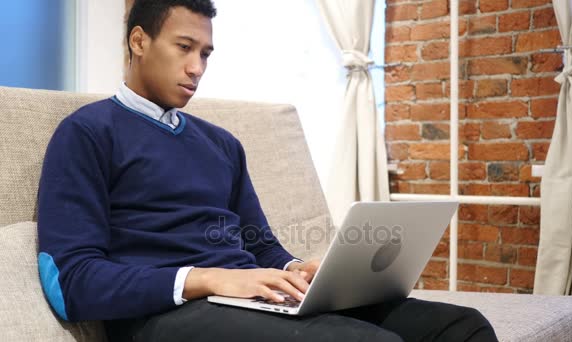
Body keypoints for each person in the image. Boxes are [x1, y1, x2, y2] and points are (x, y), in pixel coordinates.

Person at [36, 0, 498, 341]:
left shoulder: (221, 144)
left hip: (250, 301)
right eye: (184, 48)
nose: (196, 68)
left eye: (206, 54)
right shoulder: (87, 133)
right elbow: (70, 281)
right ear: (139, 41)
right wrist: (207, 278)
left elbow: (259, 244)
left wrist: (298, 271)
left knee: (461, 328)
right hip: (164, 316)